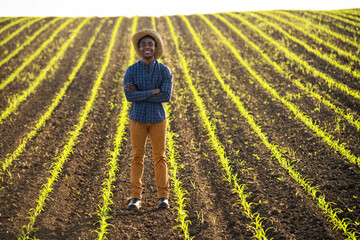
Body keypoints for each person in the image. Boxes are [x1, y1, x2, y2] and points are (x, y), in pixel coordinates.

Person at [124, 29, 173, 210]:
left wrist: (139, 93)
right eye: (143, 44)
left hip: (158, 119)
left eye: (150, 44)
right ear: (139, 48)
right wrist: (152, 92)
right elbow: (129, 97)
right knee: (137, 156)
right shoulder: (131, 70)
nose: (147, 47)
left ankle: (163, 197)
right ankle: (135, 197)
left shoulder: (164, 70)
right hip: (137, 118)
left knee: (160, 156)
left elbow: (166, 96)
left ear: (155, 48)